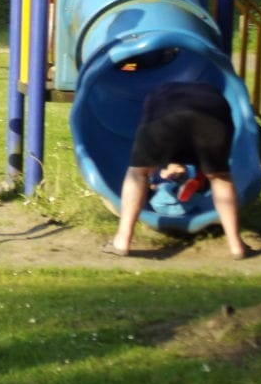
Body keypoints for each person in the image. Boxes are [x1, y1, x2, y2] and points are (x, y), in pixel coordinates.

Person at [103, 81, 252, 260]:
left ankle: (122, 240)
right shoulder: (215, 92)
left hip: (165, 117)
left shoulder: (156, 94)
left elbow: (158, 143)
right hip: (213, 114)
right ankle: (236, 245)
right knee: (219, 177)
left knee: (139, 173)